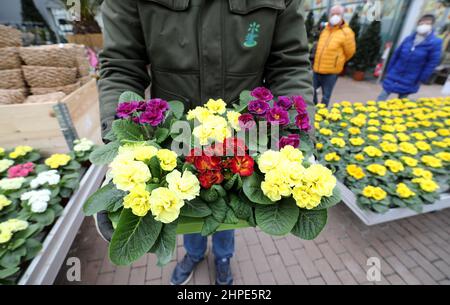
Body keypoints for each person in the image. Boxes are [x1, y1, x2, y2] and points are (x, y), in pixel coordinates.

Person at [96, 0, 314, 285]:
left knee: (232, 203)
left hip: (243, 136)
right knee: (184, 199)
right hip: (176, 136)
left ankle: (223, 256)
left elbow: (290, 64)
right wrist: (121, 147)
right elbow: (122, 64)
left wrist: (298, 141)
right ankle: (195, 253)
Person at [377, 14, 443, 101]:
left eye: (427, 23)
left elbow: (432, 63)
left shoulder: (435, 42)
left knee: (402, 101)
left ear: (431, 26)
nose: (423, 25)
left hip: (412, 77)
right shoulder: (409, 38)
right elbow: (396, 55)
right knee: (382, 96)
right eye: (421, 23)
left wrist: (422, 78)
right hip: (396, 72)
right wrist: (389, 69)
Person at [313, 5, 356, 106]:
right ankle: (313, 109)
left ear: (342, 16)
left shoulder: (347, 32)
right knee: (311, 91)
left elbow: (350, 52)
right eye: (333, 14)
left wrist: (338, 61)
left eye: (338, 14)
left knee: (326, 95)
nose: (335, 16)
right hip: (317, 69)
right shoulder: (325, 30)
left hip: (331, 72)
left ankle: (322, 115)